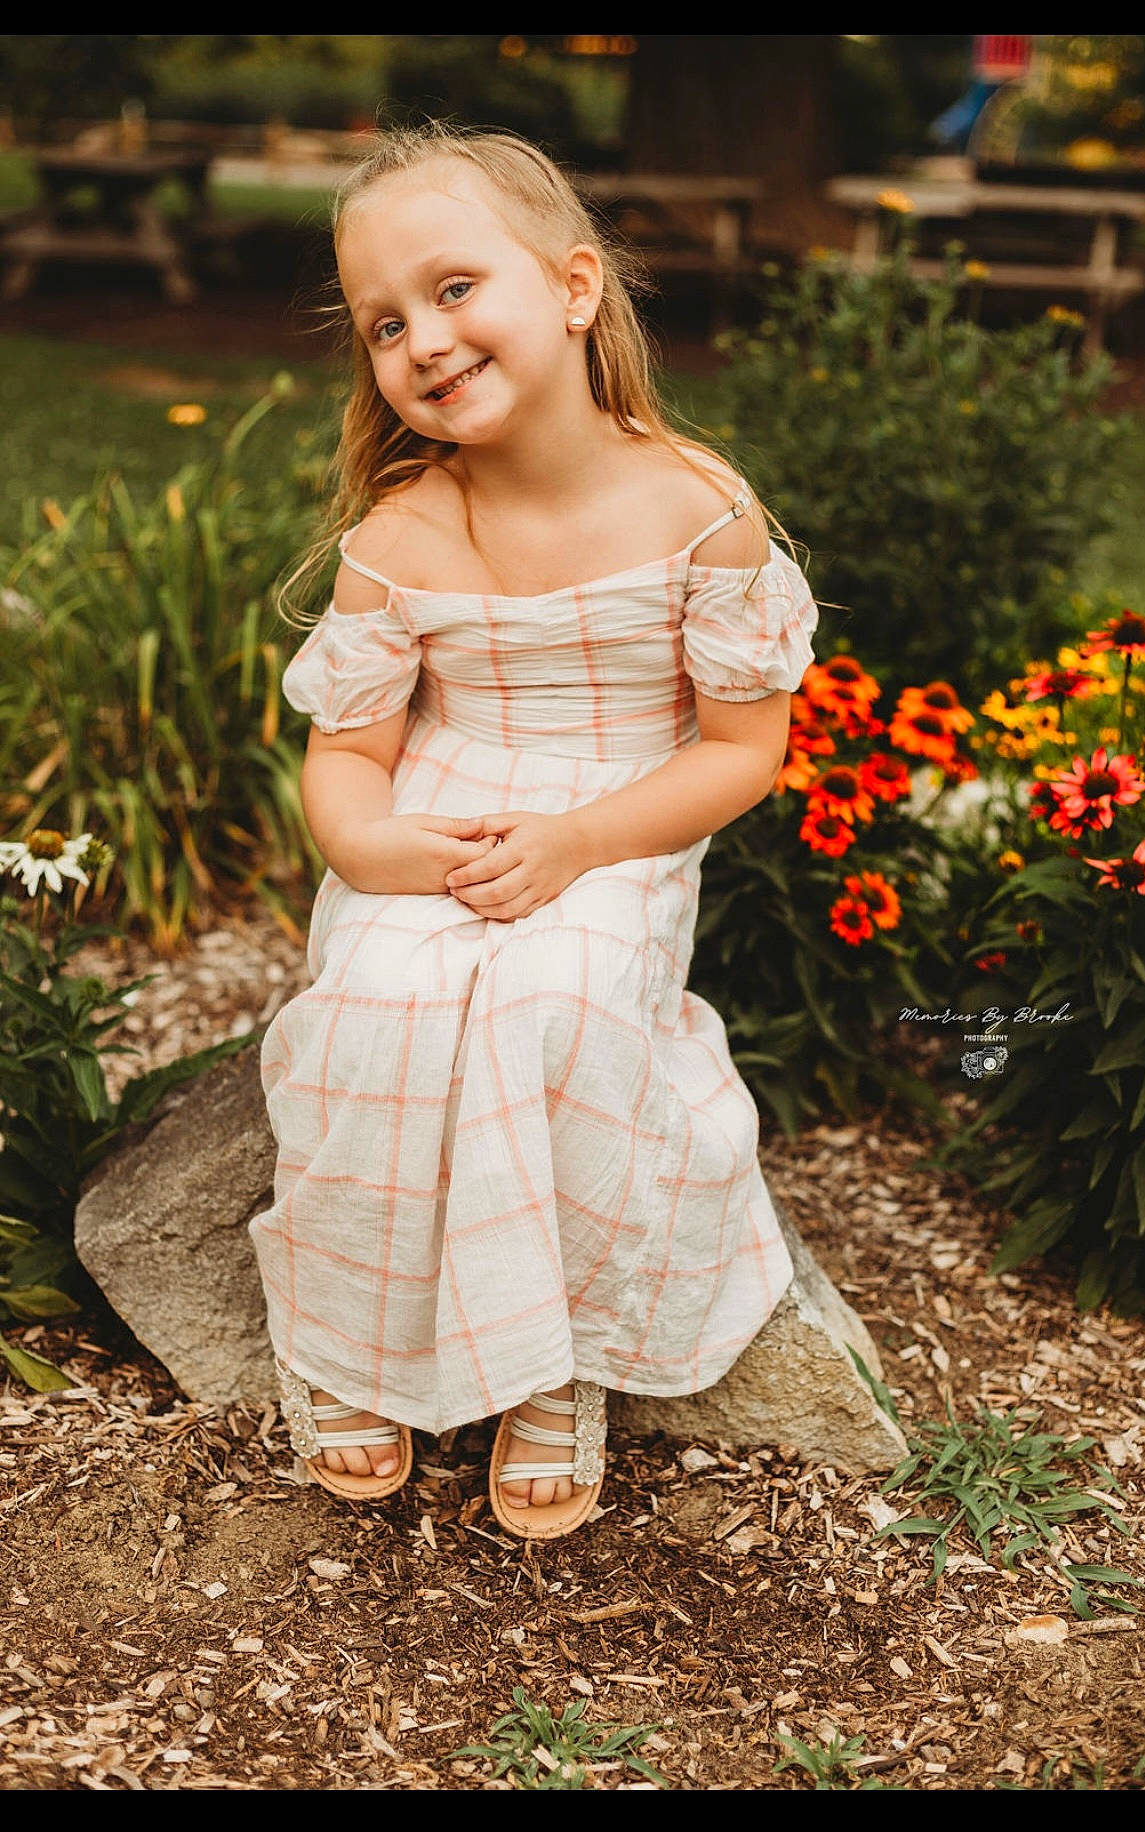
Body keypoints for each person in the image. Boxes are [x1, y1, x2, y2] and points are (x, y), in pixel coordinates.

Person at [250, 122, 818, 1541]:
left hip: (619, 816)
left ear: (571, 289)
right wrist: (367, 850)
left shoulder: (699, 514)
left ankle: (551, 1357)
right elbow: (350, 760)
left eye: (453, 288)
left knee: (555, 1010)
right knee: (374, 1007)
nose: (422, 340)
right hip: (434, 815)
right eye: (386, 322)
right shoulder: (405, 534)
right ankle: (352, 1337)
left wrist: (577, 843)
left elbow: (744, 750)